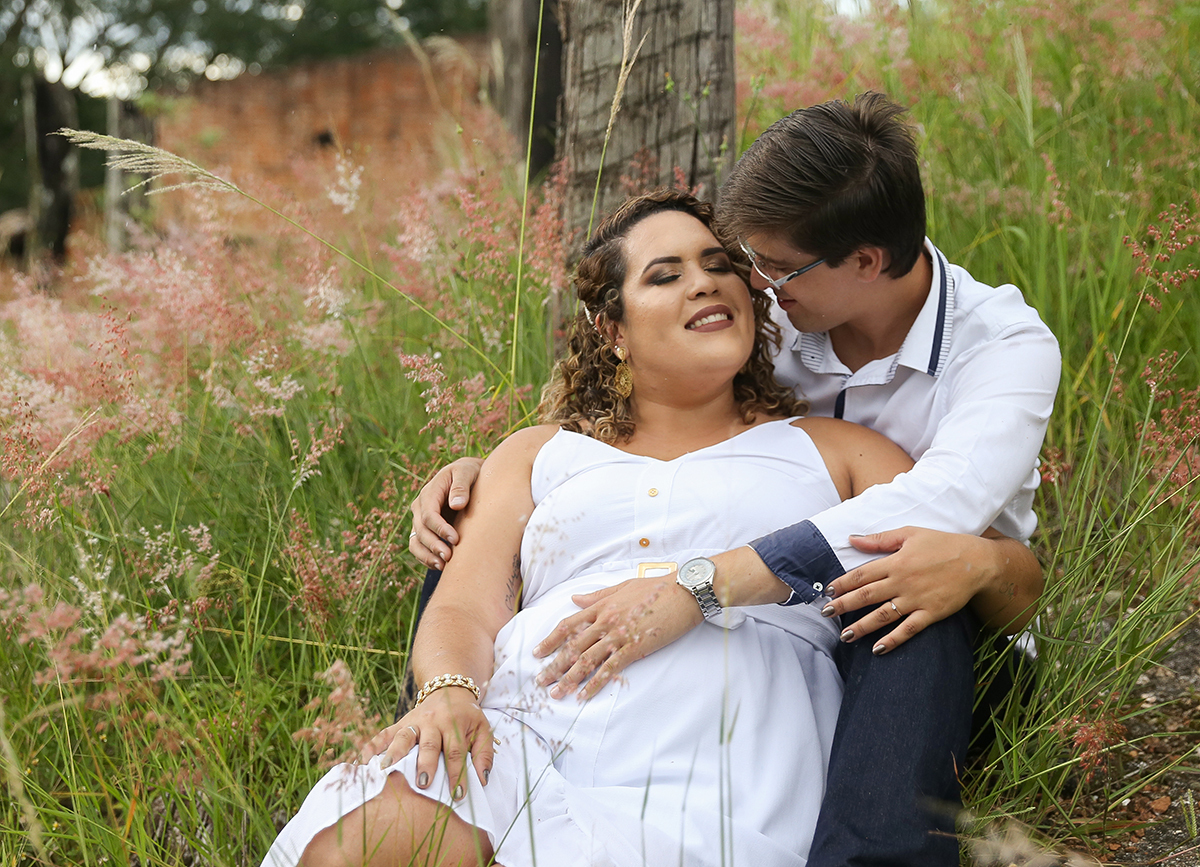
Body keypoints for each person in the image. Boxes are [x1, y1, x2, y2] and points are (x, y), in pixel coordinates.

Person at [262, 190, 1030, 867]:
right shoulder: (539, 453)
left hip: (728, 751)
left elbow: (996, 569)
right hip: (526, 730)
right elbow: (464, 602)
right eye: (665, 275)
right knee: (366, 838)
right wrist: (449, 692)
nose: (705, 281)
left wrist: (988, 569)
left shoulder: (836, 451)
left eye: (720, 265)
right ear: (613, 330)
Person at [409, 93, 1060, 866]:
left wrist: (700, 586)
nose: (753, 284)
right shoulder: (777, 312)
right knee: (464, 542)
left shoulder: (1001, 349)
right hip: (782, 601)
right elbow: (651, 407)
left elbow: (941, 507)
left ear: (864, 262)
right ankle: (435, 751)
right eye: (749, 261)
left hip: (946, 615)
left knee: (905, 570)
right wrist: (498, 472)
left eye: (775, 267)